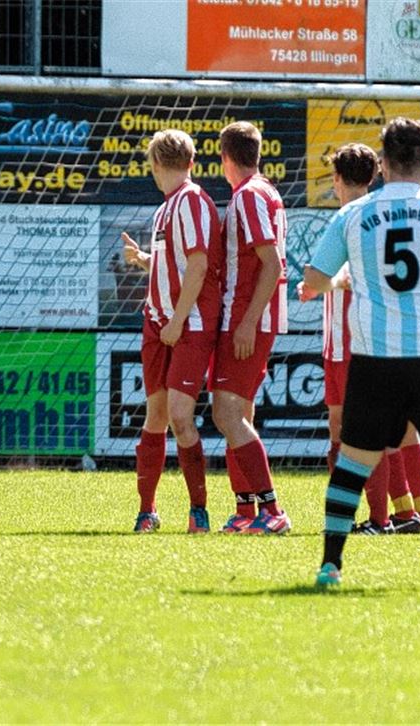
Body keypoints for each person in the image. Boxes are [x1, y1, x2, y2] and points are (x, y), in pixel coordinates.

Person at [305, 117, 420, 588]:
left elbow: (314, 279)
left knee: (353, 461)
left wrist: (339, 280)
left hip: (373, 358)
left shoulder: (353, 213)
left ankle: (330, 564)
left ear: (381, 164)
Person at [297, 143, 420, 536]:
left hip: (363, 341)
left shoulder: (359, 219)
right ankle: (374, 512)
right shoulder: (370, 217)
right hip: (343, 343)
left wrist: (324, 283)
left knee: (374, 432)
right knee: (345, 429)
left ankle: (391, 516)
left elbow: (343, 277)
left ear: (337, 179)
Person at [121, 129, 223, 534]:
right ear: (191, 161)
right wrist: (144, 259)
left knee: (181, 417)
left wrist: (179, 321)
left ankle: (198, 509)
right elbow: (177, 267)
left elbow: (198, 267)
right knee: (156, 416)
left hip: (188, 324)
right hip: (159, 321)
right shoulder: (165, 209)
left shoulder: (192, 201)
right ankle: (147, 510)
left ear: (155, 165)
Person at [210, 121, 291, 535]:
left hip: (246, 319)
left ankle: (272, 510)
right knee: (237, 413)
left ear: (225, 158)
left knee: (226, 413)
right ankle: (246, 510)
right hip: (249, 317)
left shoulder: (248, 196)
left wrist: (245, 323)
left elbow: (273, 263)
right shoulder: (265, 192)